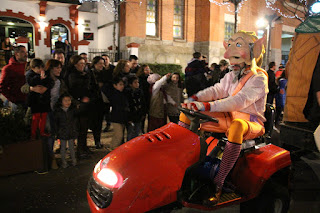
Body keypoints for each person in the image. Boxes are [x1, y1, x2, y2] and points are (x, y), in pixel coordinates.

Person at [181, 31, 267, 206]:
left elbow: (239, 101)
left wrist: (208, 106)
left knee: (236, 126)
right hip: (230, 118)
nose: (228, 57)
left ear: (253, 53)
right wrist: (194, 99)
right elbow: (215, 90)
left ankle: (218, 183)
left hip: (251, 122)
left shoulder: (259, 78)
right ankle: (181, 161)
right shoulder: (231, 75)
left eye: (237, 47)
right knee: (186, 113)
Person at [67, 55, 93, 159]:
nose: (82, 66)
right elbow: (75, 89)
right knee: (80, 128)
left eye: (83, 63)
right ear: (75, 65)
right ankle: (80, 150)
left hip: (85, 104)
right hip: (77, 104)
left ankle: (84, 147)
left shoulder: (86, 74)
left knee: (85, 128)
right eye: (80, 64)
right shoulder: (72, 76)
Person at [25, 58, 53, 139]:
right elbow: (30, 83)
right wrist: (39, 79)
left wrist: (45, 86)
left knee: (43, 116)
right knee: (35, 118)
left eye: (42, 67)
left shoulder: (45, 73)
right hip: (35, 101)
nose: (41, 69)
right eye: (39, 68)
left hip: (44, 100)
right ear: (33, 68)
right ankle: (33, 133)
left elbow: (50, 82)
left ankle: (42, 131)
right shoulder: (29, 74)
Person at [102, 77, 129, 149]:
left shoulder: (123, 93)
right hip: (116, 117)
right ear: (115, 85)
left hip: (122, 117)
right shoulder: (114, 94)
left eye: (122, 84)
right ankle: (113, 148)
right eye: (120, 84)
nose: (122, 86)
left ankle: (114, 148)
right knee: (119, 135)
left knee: (119, 134)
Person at [54, 94, 78, 168]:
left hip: (71, 131)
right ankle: (64, 162)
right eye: (65, 101)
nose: (67, 102)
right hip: (62, 132)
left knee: (71, 148)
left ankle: (74, 161)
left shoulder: (72, 110)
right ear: (61, 102)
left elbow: (75, 121)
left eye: (69, 100)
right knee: (63, 148)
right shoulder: (58, 111)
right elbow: (56, 123)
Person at [0, 45, 27, 110]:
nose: (26, 54)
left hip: (29, 100)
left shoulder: (28, 66)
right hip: (17, 102)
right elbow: (2, 87)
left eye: (26, 52)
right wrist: (13, 99)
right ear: (16, 54)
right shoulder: (8, 69)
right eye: (23, 52)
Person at [89, 56, 107, 149]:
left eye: (102, 63)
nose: (101, 65)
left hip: (101, 101)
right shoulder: (90, 73)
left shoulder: (104, 73)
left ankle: (97, 140)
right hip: (93, 101)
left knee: (99, 122)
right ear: (95, 64)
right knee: (94, 122)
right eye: (99, 63)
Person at [125, 75, 146, 140]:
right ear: (130, 84)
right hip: (131, 115)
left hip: (138, 115)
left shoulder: (140, 92)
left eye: (138, 82)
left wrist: (143, 113)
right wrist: (128, 117)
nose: (137, 84)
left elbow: (143, 103)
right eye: (135, 82)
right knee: (130, 132)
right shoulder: (127, 93)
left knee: (137, 131)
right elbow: (127, 105)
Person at [101, 54, 115, 132]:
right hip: (104, 92)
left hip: (112, 91)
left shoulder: (113, 68)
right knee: (105, 110)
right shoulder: (101, 69)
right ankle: (108, 124)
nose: (105, 61)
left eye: (106, 59)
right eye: (103, 59)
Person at [136, 64, 151, 133]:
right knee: (143, 116)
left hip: (150, 99)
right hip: (143, 99)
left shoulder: (150, 77)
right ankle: (141, 130)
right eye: (146, 70)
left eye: (148, 69)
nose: (148, 71)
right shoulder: (140, 79)